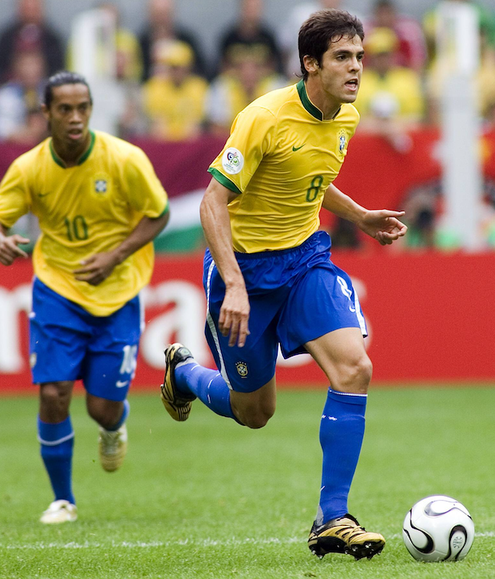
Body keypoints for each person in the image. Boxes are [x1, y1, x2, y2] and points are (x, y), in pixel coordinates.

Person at [161, 9, 406, 560]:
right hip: (243, 272)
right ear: (310, 63)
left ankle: (332, 517)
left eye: (360, 57)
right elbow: (212, 201)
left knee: (355, 367)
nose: (356, 69)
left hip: (304, 260)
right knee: (255, 412)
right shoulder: (263, 117)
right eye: (343, 58)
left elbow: (310, 181)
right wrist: (234, 283)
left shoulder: (344, 117)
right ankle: (186, 374)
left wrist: (360, 215)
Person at [0, 71, 170, 524]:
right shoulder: (30, 168)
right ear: (45, 113)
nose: (75, 118)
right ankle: (63, 500)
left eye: (82, 108)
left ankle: (113, 425)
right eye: (64, 109)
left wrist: (117, 254)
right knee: (53, 393)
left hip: (118, 291)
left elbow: (158, 214)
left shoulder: (123, 159)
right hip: (57, 291)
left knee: (100, 407)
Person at [0, 0, 65, 90]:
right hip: (11, 87)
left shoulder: (52, 39)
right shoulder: (6, 37)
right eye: (26, 8)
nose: (30, 12)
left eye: (33, 8)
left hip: (43, 87)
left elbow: (59, 69)